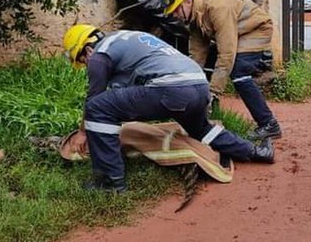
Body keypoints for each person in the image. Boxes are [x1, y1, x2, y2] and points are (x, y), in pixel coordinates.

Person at [62, 24, 275, 192]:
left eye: (82, 61)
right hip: (198, 86)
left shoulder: (99, 55)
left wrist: (83, 133)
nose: (86, 66)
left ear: (87, 50)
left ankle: (110, 183)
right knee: (201, 129)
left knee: (97, 109)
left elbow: (95, 100)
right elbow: (125, 95)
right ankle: (256, 151)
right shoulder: (125, 39)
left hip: (172, 89)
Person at [161, 0, 281, 140]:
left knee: (239, 72)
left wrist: (212, 92)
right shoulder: (196, 18)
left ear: (188, 0)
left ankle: (269, 124)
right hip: (240, 32)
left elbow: (226, 53)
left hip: (257, 29)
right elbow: (196, 56)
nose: (175, 15)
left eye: (176, 10)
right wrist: (187, 83)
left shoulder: (217, 8)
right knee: (229, 68)